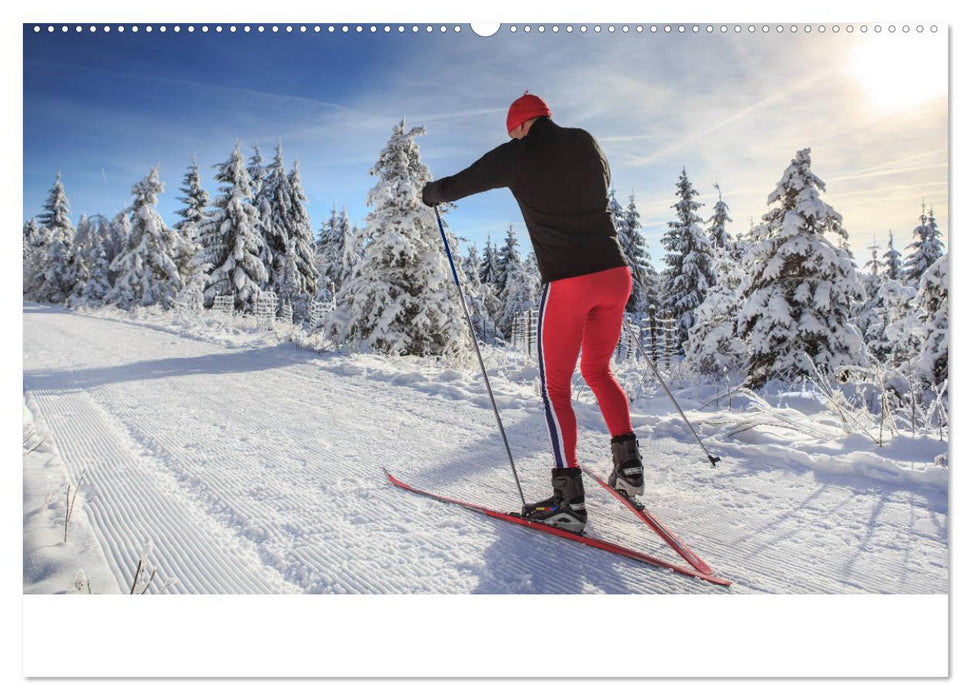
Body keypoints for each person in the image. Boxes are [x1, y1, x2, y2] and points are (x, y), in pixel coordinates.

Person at [421, 91, 644, 534]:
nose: (513, 137)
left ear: (522, 127)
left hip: (569, 283)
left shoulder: (519, 155)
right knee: (599, 371)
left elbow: (470, 178)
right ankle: (630, 470)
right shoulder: (586, 141)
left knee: (555, 389)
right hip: (616, 275)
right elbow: (599, 182)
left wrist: (434, 193)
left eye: (512, 131)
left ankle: (569, 501)